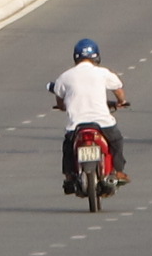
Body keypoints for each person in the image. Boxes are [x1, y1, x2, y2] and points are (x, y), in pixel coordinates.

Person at [49, 37, 128, 190]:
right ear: (96, 56)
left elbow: (60, 99)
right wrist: (121, 102)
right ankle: (118, 172)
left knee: (68, 148)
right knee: (116, 141)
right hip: (103, 123)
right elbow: (118, 90)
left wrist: (63, 106)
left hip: (76, 125)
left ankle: (70, 177)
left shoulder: (65, 76)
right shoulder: (103, 73)